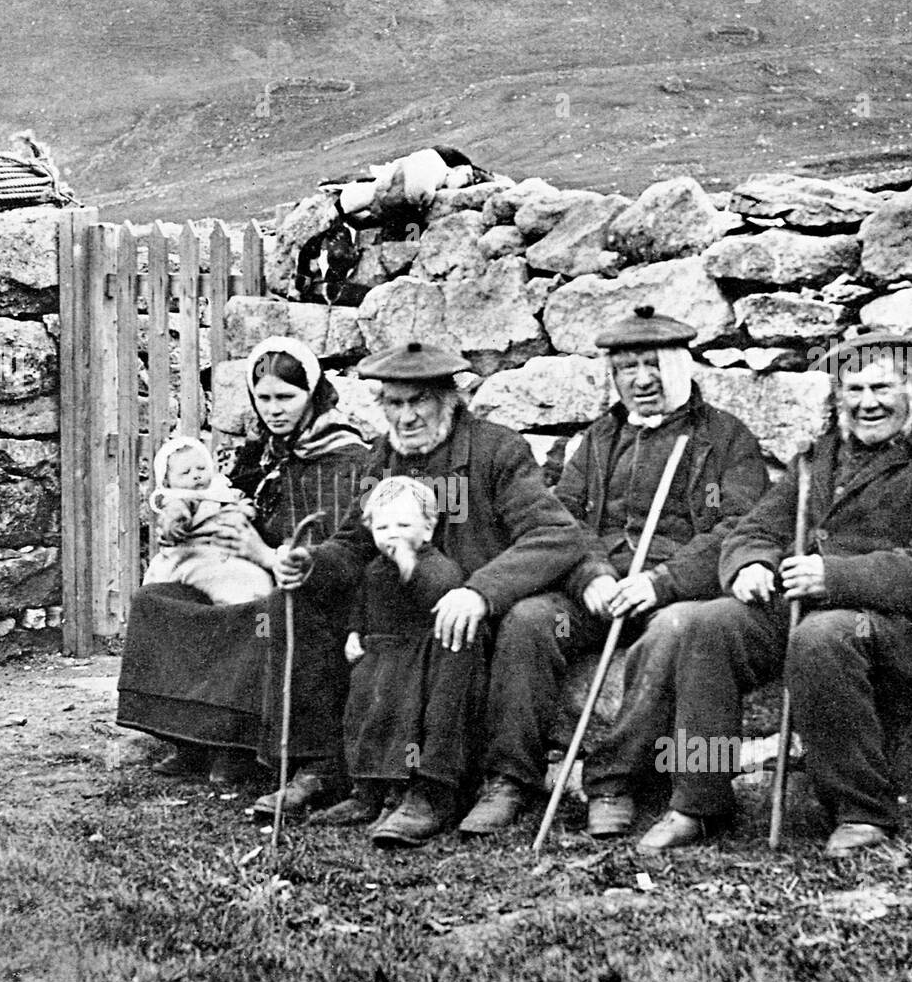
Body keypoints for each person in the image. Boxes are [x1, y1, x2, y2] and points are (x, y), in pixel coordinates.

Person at [636, 331, 912, 857]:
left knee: (821, 635)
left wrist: (834, 576)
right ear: (838, 396)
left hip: (901, 631)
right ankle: (698, 798)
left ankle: (861, 812)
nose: (867, 402)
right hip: (806, 610)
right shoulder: (816, 462)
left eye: (882, 387)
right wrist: (751, 564)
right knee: (708, 624)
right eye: (853, 389)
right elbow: (755, 529)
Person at [456, 305, 771, 838]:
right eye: (627, 368)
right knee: (531, 620)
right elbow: (562, 523)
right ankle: (511, 779)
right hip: (599, 592)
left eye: (653, 364)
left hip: (672, 595)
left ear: (681, 366)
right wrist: (592, 577)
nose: (641, 379)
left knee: (674, 636)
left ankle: (612, 782)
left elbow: (739, 528)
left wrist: (660, 583)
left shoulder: (725, 439)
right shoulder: (598, 441)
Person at [276, 339, 586, 842]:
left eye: (419, 401)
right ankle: (329, 770)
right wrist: (309, 562)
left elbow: (554, 535)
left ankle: (433, 791)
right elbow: (355, 543)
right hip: (399, 613)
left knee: (449, 629)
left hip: (468, 614)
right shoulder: (382, 459)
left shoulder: (497, 451)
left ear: (449, 400)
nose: (407, 417)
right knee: (301, 600)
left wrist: (481, 591)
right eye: (394, 404)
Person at [116, 337, 371, 790]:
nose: (274, 410)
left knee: (257, 613)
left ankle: (240, 746)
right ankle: (190, 736)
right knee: (159, 600)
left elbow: (341, 548)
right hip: (238, 566)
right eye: (264, 398)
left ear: (312, 394)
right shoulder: (261, 453)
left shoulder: (345, 458)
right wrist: (190, 525)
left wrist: (262, 552)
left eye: (286, 397)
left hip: (308, 581)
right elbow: (216, 498)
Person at [318, 475, 487, 847]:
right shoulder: (375, 568)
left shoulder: (436, 564)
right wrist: (353, 634)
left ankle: (406, 795)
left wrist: (410, 567)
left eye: (404, 525)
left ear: (428, 529)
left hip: (415, 661)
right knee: (365, 721)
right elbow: (362, 604)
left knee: (404, 725)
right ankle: (366, 793)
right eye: (382, 526)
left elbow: (442, 591)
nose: (392, 534)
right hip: (376, 660)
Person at [142, 436, 272, 604]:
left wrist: (245, 507)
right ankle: (250, 622)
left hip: (224, 553)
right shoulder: (181, 498)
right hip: (192, 555)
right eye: (186, 472)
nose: (196, 475)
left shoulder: (219, 488)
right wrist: (176, 521)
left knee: (257, 579)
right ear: (168, 482)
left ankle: (256, 623)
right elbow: (174, 515)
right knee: (242, 583)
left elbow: (237, 498)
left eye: (201, 468)